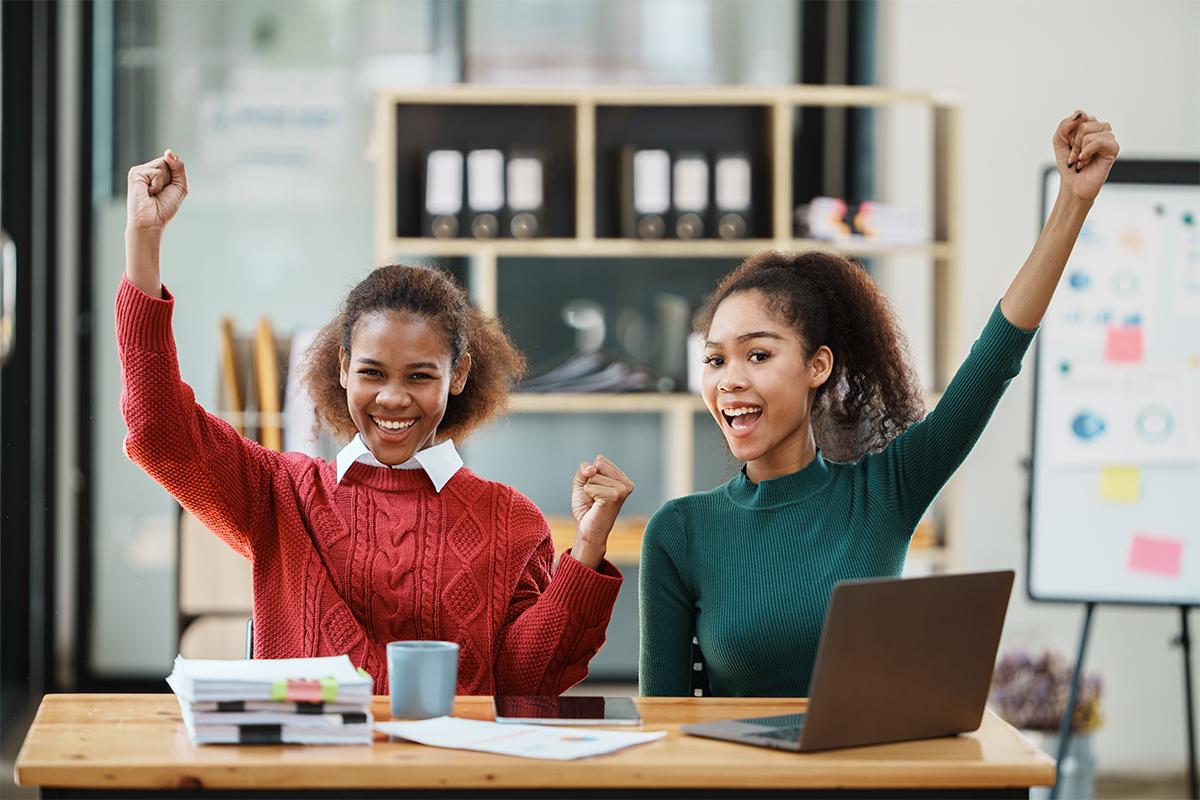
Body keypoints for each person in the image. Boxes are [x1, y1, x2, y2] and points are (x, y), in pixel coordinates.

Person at [639, 111, 1120, 697]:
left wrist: (1072, 204)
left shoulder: (885, 491)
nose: (730, 380)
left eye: (759, 356)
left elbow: (995, 359)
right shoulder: (679, 532)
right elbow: (664, 728)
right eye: (715, 360)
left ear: (818, 366)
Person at [119, 150, 635, 695]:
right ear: (343, 369)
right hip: (313, 773)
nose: (392, 399)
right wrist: (144, 243)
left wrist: (588, 544)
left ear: (457, 375)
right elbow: (158, 431)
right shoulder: (282, 494)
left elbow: (526, 682)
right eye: (372, 372)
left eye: (418, 376)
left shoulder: (511, 521)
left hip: (447, 776)